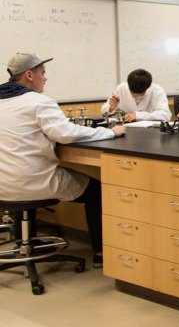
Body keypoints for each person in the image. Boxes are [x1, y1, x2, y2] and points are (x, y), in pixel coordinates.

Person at [0, 53, 127, 267]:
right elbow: (66, 134)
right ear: (29, 75)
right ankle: (100, 253)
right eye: (43, 73)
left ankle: (25, 242)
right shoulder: (38, 102)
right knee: (97, 191)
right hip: (34, 183)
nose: (46, 78)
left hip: (3, 186)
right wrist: (111, 133)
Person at [100, 68, 171, 122]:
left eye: (138, 95)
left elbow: (165, 115)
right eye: (132, 93)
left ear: (147, 88)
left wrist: (138, 116)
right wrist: (111, 108)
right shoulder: (121, 88)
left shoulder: (157, 91)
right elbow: (103, 111)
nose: (134, 97)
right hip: (126, 130)